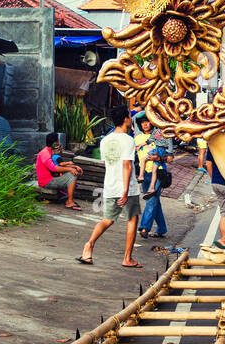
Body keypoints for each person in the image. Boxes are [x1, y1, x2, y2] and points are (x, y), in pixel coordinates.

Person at [79, 106, 142, 268]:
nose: (130, 118)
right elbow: (127, 166)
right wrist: (126, 191)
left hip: (110, 185)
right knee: (132, 220)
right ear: (125, 119)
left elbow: (109, 163)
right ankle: (127, 258)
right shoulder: (128, 140)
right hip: (127, 188)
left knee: (107, 220)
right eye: (129, 116)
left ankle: (89, 245)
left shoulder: (105, 140)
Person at [36, 132, 83, 210]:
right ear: (54, 143)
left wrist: (74, 166)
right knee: (72, 175)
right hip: (46, 181)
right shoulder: (45, 153)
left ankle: (69, 200)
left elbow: (59, 165)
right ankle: (69, 202)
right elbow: (54, 168)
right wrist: (70, 168)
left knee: (72, 172)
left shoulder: (49, 151)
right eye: (57, 141)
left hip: (51, 178)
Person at [139, 144, 169, 239]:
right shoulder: (138, 137)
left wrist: (158, 158)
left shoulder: (158, 138)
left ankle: (144, 228)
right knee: (155, 203)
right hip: (145, 174)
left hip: (158, 174)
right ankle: (162, 229)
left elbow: (168, 154)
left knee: (151, 201)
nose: (145, 127)